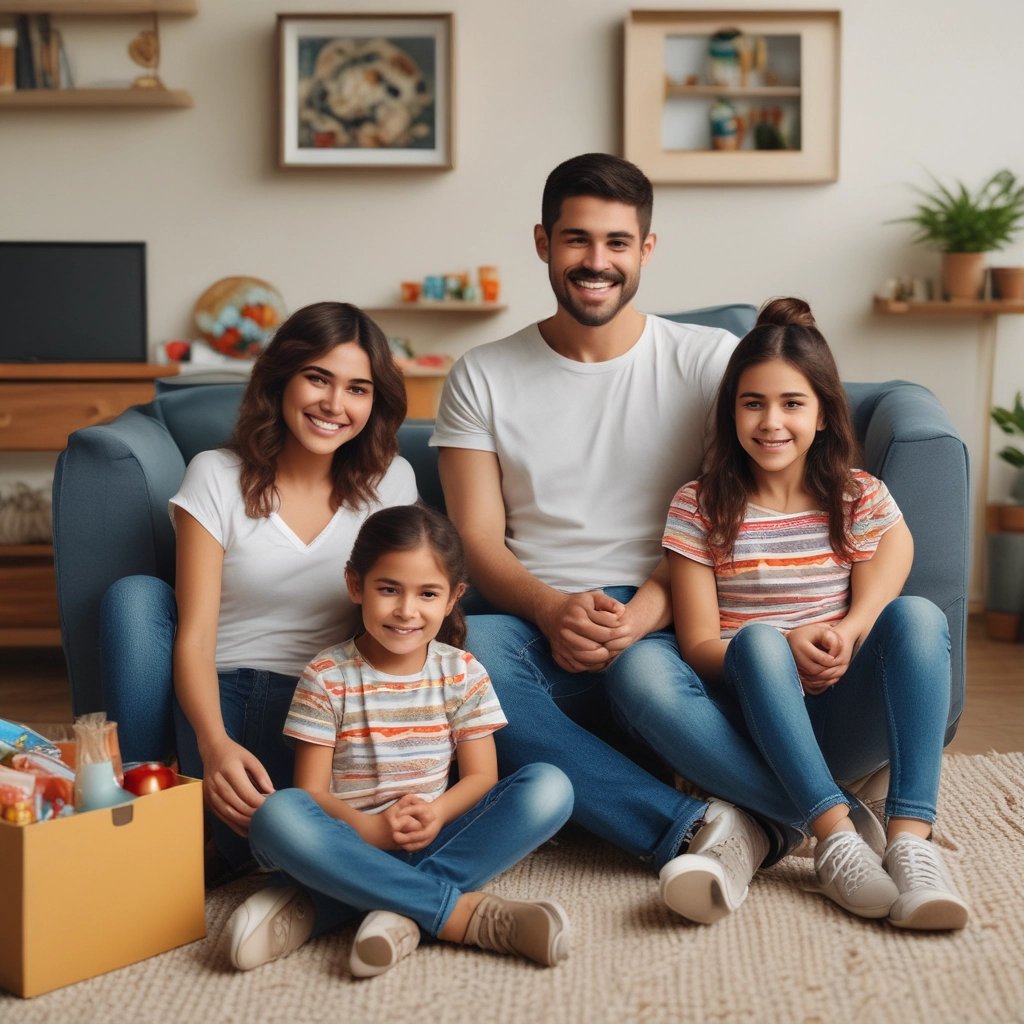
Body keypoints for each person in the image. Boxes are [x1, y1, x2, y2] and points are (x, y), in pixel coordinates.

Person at [431, 152, 824, 926]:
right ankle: (714, 824)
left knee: (644, 673)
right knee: (465, 654)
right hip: (535, 618)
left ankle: (778, 815)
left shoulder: (709, 362)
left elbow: (728, 510)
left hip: (672, 608)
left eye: (617, 242)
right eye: (577, 240)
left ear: (646, 250)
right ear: (543, 243)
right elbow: (474, 537)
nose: (596, 262)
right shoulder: (481, 373)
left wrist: (648, 606)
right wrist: (548, 610)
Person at [663, 296, 969, 928]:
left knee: (919, 618)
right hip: (751, 718)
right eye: (753, 403)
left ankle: (910, 841)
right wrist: (779, 643)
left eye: (792, 403)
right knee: (758, 643)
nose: (771, 422)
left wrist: (849, 631)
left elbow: (893, 565)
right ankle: (834, 834)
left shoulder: (857, 497)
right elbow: (696, 645)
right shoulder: (699, 506)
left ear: (826, 413)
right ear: (731, 413)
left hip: (840, 711)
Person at [100, 301, 418, 870]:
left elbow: (405, 617)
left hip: (329, 703)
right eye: (317, 378)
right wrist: (213, 744)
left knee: (277, 847)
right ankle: (145, 809)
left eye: (357, 389)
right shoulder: (215, 475)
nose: (334, 405)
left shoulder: (390, 481)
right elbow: (195, 636)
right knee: (134, 597)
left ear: (375, 401)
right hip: (227, 691)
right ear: (281, 379)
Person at [225, 504, 574, 976]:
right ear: (356, 585)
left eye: (428, 594)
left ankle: (343, 905)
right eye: (388, 589)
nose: (407, 611)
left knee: (551, 787)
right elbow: (311, 792)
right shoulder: (327, 676)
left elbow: (481, 777)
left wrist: (437, 813)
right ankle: (461, 916)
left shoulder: (463, 672)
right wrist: (369, 829)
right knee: (277, 814)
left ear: (453, 598)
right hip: (346, 842)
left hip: (433, 836)